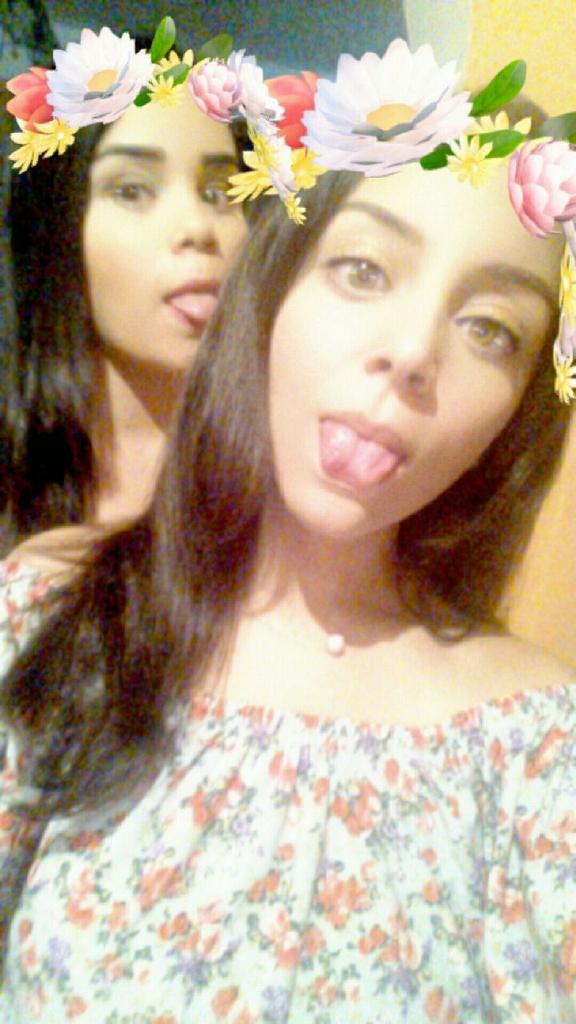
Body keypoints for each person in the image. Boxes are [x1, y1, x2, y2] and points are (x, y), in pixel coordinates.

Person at [1, 145, 575, 1019]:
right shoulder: (53, 621)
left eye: (491, 329)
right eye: (362, 270)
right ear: (270, 290)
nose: (412, 353)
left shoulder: (540, 745)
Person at [1, 83, 248, 556]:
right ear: (55, 226)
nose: (198, 227)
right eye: (132, 190)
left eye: (218, 192)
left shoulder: (286, 474)